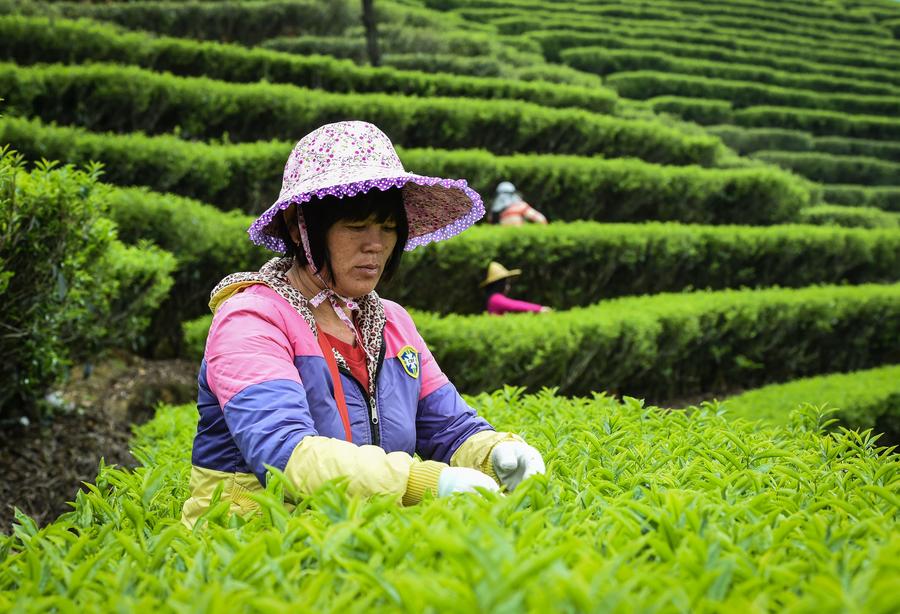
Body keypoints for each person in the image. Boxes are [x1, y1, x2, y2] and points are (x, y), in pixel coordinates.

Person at [182, 121, 546, 527]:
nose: (376, 244)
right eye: (356, 226)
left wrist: (494, 452)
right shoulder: (251, 319)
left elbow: (449, 426)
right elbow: (283, 452)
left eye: (389, 227)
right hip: (249, 548)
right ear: (296, 225)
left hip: (355, 542)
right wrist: (421, 481)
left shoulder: (392, 323)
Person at [480, 261, 551, 315]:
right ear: (500, 285)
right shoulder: (496, 298)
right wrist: (539, 309)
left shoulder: (493, 298)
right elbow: (515, 305)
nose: (508, 286)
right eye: (507, 283)